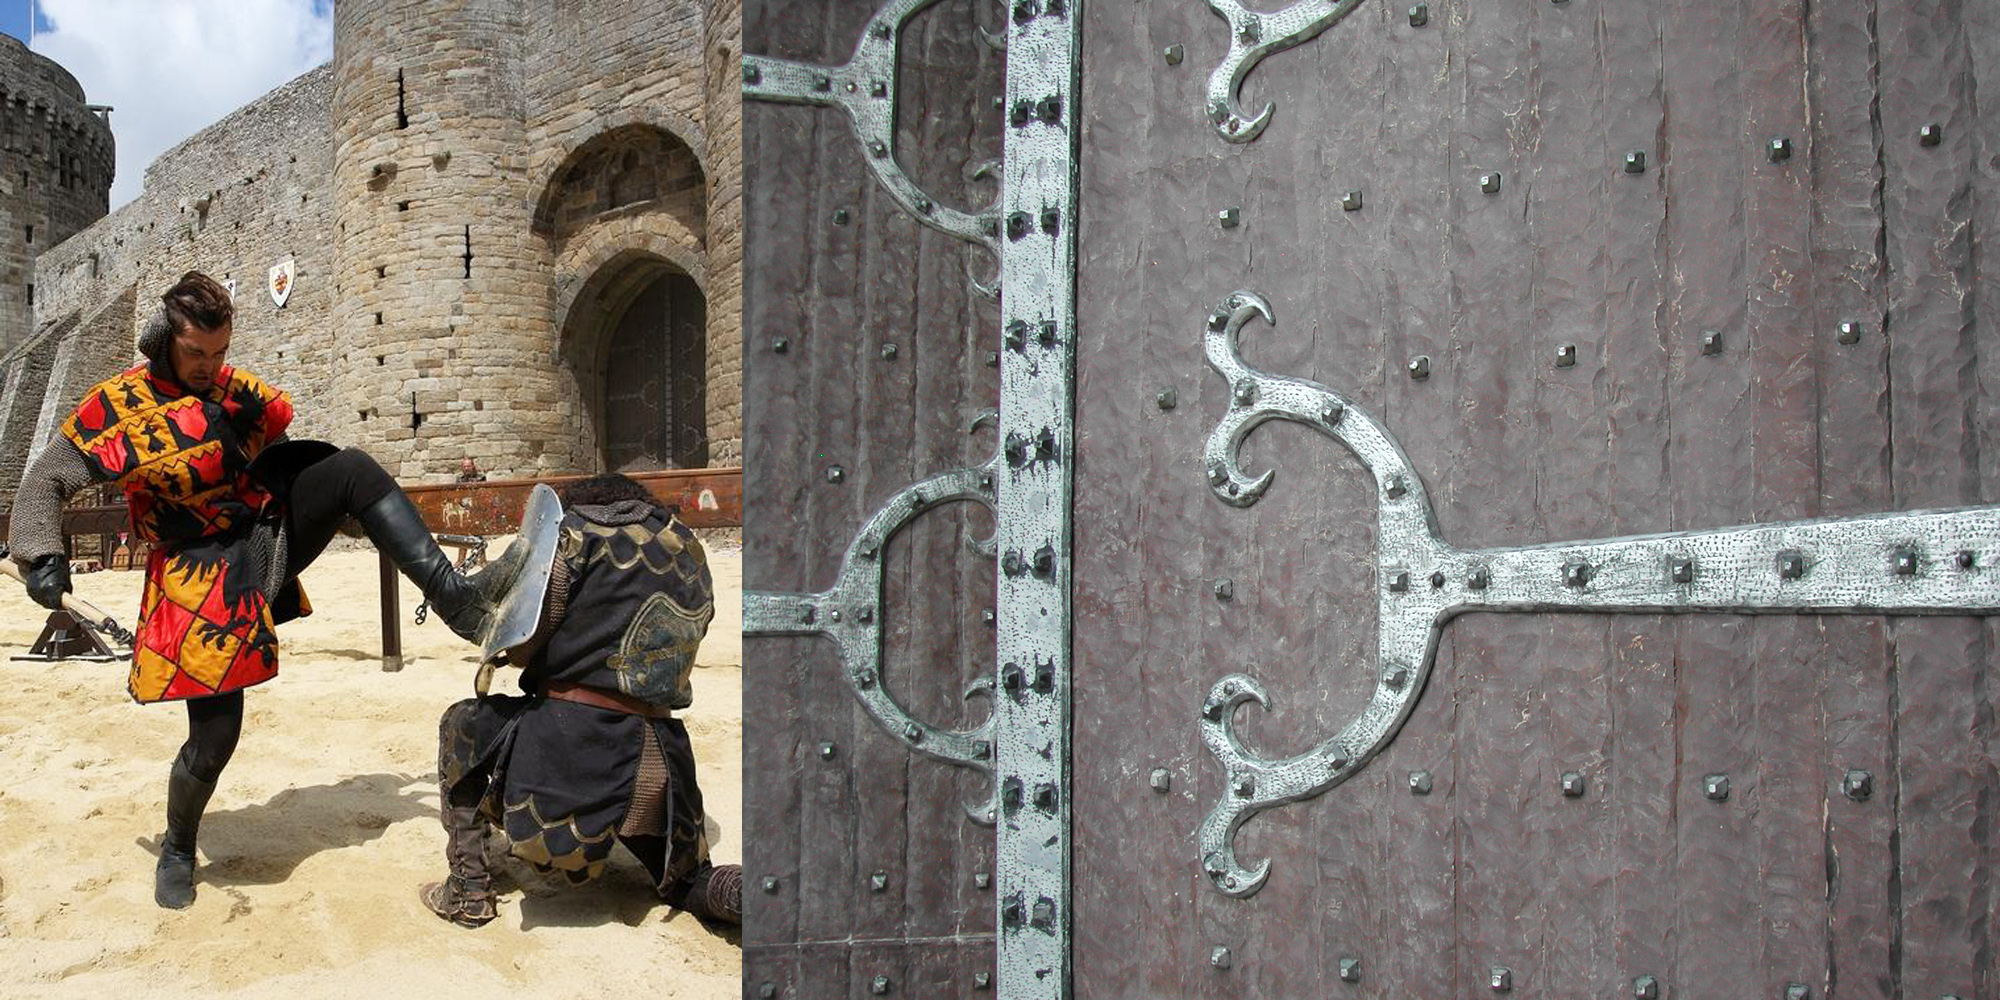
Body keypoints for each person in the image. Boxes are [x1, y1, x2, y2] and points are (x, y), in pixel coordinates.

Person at [7, 271, 515, 910]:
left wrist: (257, 436)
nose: (210, 366)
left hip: (262, 533)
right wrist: (42, 554)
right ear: (166, 339)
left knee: (351, 468)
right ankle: (179, 845)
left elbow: (277, 434)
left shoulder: (229, 387)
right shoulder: (117, 406)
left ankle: (458, 600)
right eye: (197, 353)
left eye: (220, 352)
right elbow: (47, 479)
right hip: (193, 570)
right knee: (217, 735)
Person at [422, 472, 740, 928]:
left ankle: (467, 890)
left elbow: (524, 638)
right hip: (661, 762)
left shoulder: (572, 536)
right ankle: (751, 895)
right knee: (694, 885)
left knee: (461, 722)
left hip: (570, 749)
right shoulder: (686, 543)